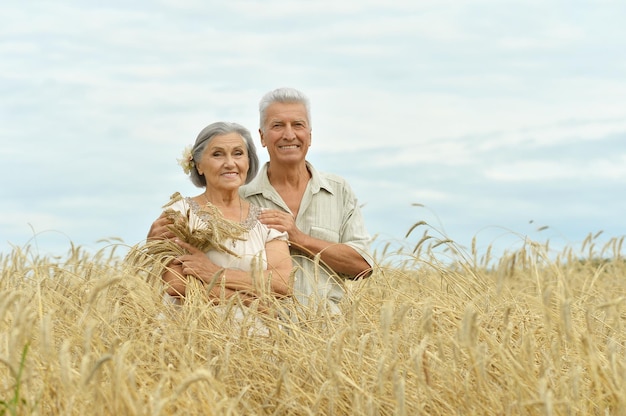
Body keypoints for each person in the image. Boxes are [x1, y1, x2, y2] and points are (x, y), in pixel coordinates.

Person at [149, 88, 373, 315]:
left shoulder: (338, 191)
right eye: (277, 126)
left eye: (298, 125)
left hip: (323, 330)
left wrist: (299, 238)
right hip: (256, 330)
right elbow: (174, 282)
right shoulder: (231, 196)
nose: (289, 135)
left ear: (310, 135)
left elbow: (362, 267)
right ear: (262, 137)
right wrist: (153, 245)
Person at [149, 121, 293, 319]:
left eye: (238, 153)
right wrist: (254, 303)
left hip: (256, 344)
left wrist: (214, 273)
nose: (230, 163)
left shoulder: (267, 220)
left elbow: (282, 283)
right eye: (217, 154)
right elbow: (177, 285)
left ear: (248, 162)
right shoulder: (179, 214)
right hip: (190, 338)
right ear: (198, 165)